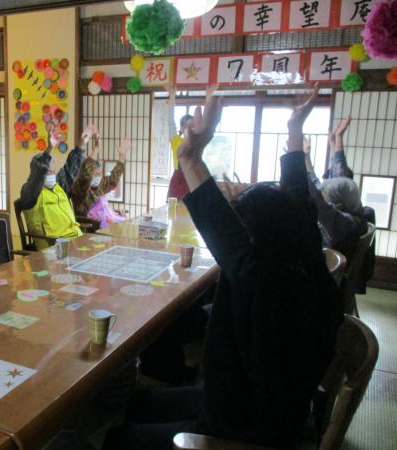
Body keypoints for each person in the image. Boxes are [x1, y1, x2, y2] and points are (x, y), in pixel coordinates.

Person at [103, 85, 342, 449]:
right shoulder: (306, 256)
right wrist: (295, 131)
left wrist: (190, 155)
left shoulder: (261, 282)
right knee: (140, 402)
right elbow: (298, 199)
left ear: (255, 242)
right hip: (269, 405)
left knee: (119, 438)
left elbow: (224, 231)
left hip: (241, 428)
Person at [309, 118, 375, 292]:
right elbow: (339, 177)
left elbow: (316, 197)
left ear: (337, 204)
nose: (324, 199)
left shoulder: (343, 223)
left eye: (327, 199)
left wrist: (296, 157)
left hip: (326, 281)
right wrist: (337, 141)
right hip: (332, 270)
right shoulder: (354, 212)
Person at [19, 129, 83, 250]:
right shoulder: (30, 192)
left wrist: (81, 145)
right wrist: (49, 148)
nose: (51, 175)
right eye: (47, 172)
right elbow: (37, 173)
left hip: (73, 237)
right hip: (52, 244)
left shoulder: (58, 186)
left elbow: (70, 170)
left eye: (53, 172)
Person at [69, 130, 129, 228]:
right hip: (88, 227)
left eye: (100, 174)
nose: (98, 177)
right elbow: (86, 175)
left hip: (103, 224)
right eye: (95, 174)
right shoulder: (80, 188)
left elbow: (112, 180)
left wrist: (122, 157)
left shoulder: (100, 185)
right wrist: (96, 149)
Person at [167, 114, 193, 200]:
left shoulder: (196, 143)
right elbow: (171, 123)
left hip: (192, 180)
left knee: (190, 206)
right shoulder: (176, 140)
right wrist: (170, 106)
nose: (189, 129)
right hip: (177, 180)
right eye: (186, 126)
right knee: (174, 205)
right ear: (181, 128)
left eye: (192, 126)